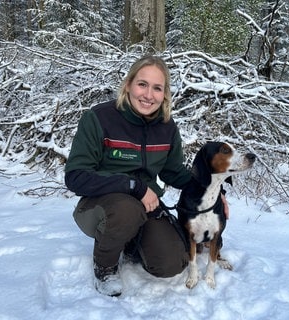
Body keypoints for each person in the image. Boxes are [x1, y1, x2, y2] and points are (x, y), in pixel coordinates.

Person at [65, 55, 228, 297]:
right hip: (99, 207)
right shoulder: (99, 118)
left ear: (165, 94)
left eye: (157, 88)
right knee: (126, 209)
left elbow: (175, 173)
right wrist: (135, 186)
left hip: (147, 206)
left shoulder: (167, 127)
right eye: (142, 84)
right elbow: (75, 177)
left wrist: (215, 192)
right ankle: (105, 266)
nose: (148, 95)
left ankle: (130, 242)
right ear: (128, 84)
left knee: (171, 263)